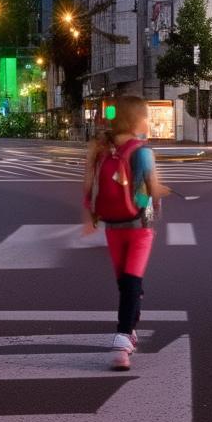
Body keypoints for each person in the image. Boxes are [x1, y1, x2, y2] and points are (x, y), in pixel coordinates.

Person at [82, 95, 167, 370]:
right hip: (141, 225)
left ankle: (129, 330)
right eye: (146, 117)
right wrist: (162, 191)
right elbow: (153, 189)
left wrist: (90, 216)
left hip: (112, 223)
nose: (149, 122)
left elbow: (89, 185)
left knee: (126, 283)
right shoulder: (143, 151)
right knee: (133, 281)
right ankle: (122, 339)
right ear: (136, 121)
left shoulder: (101, 150)